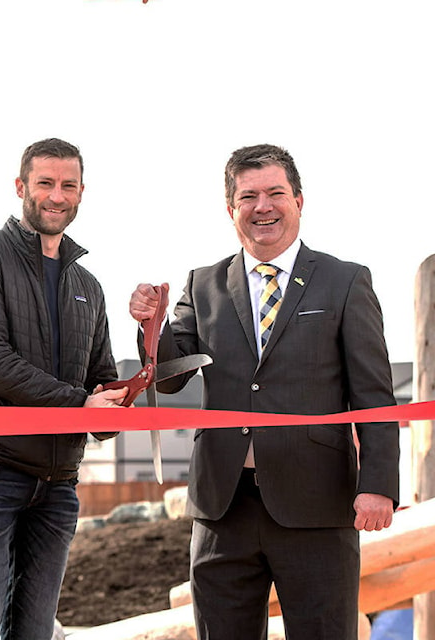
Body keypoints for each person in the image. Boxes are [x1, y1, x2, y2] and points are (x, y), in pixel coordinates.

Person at [128, 143, 400, 639]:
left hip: (317, 503)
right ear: (231, 209)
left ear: (299, 200)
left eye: (276, 193)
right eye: (248, 196)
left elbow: (374, 392)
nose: (263, 207)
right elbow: (169, 377)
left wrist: (378, 483)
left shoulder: (344, 282)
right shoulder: (203, 284)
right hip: (222, 508)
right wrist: (153, 325)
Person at [0, 137, 129, 640]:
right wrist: (81, 403)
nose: (56, 196)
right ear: (21, 186)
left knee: (35, 634)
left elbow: (99, 380)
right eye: (45, 183)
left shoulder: (87, 284)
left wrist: (122, 395)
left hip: (58, 482)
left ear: (82, 192)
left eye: (68, 185)